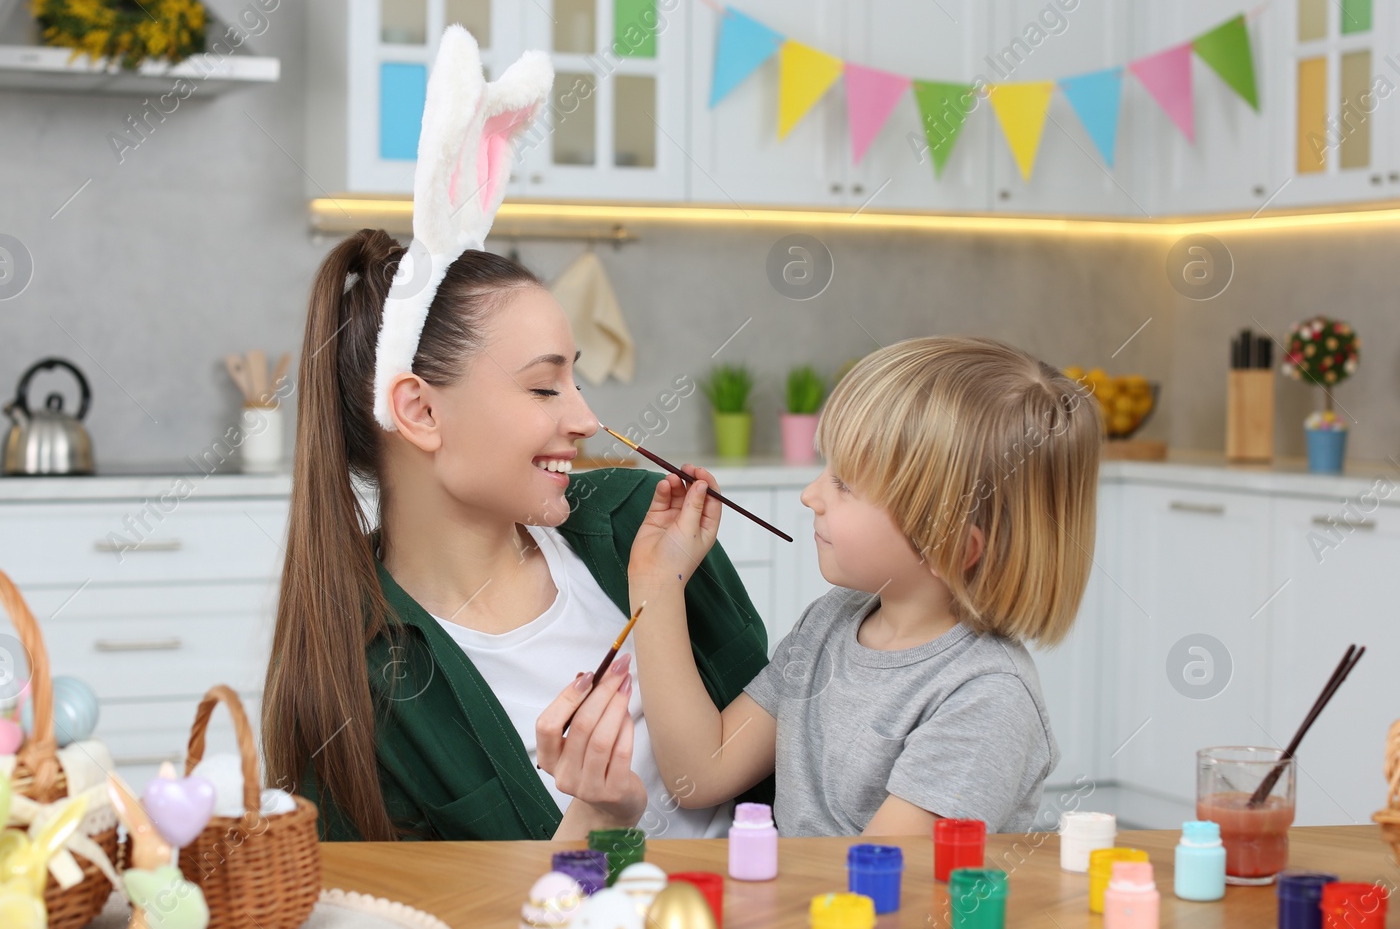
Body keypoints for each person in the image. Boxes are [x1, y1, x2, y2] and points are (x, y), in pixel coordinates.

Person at [261, 229, 772, 841]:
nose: (585, 421)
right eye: (542, 388)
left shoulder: (647, 527)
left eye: (575, 383)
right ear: (421, 412)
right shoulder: (349, 682)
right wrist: (594, 822)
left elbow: (789, 763)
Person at [627, 337, 1100, 836]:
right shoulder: (832, 620)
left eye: (845, 483)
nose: (811, 495)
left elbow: (879, 889)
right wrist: (656, 582)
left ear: (952, 547)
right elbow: (699, 772)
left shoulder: (985, 697)